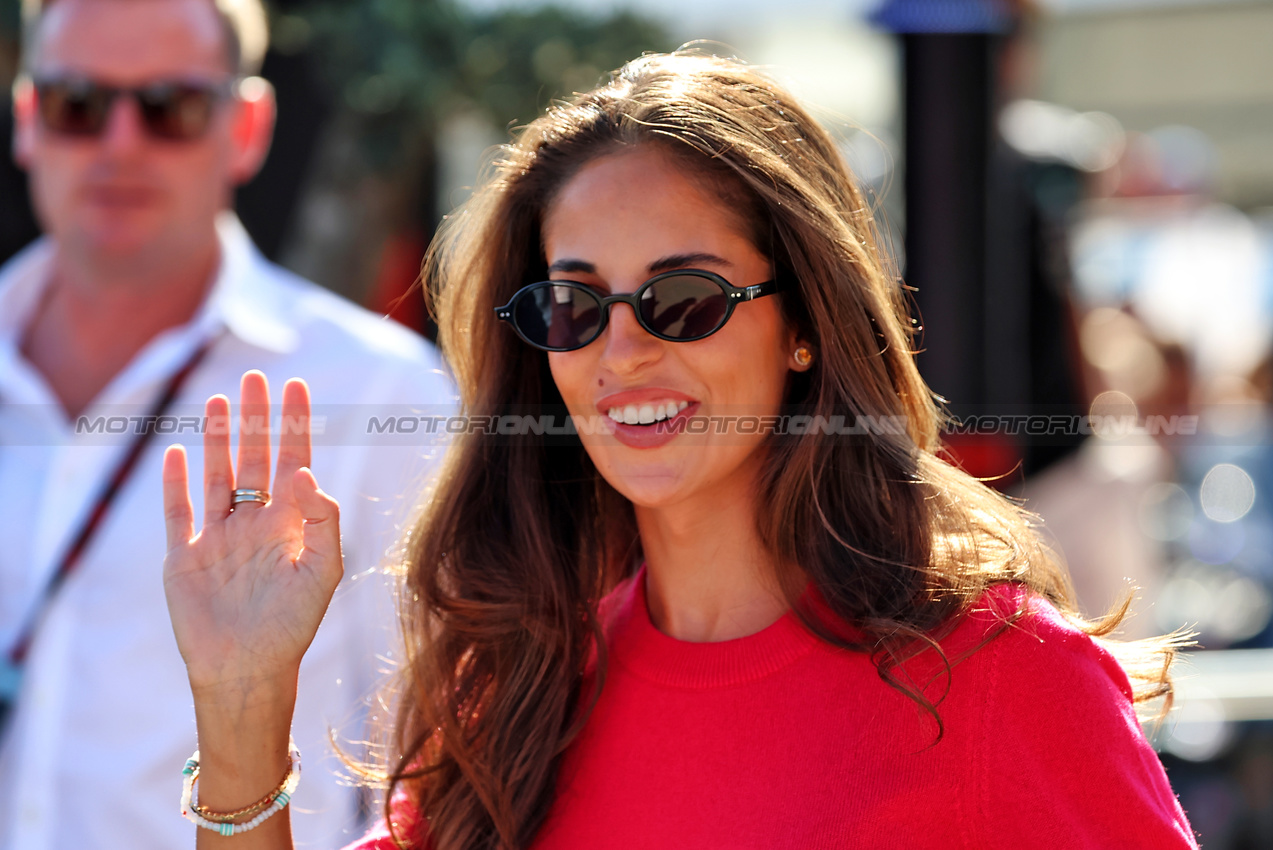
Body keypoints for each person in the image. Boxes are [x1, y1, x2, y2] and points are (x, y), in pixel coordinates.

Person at [161, 52, 1199, 849]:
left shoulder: (1002, 678)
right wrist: (244, 707)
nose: (622, 352)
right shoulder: (518, 696)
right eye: (575, 305)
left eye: (683, 299)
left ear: (804, 324)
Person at [0, 0, 453, 847]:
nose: (120, 143)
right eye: (78, 105)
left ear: (246, 127)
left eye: (171, 107)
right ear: (28, 120)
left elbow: (428, 787)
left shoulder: (388, 399)